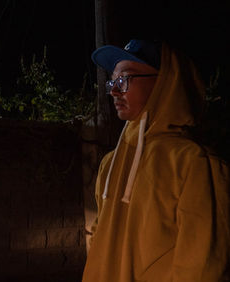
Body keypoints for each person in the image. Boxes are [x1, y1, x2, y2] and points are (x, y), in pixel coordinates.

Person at [82, 39, 230, 281]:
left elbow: (202, 267)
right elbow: (100, 239)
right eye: (112, 81)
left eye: (125, 79)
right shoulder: (110, 163)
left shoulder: (194, 163)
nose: (114, 91)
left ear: (165, 83)